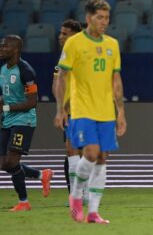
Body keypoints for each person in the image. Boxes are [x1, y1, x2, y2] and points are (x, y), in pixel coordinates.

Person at [54, 0, 127, 224]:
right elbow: (62, 78)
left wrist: (121, 111)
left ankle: (93, 212)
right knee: (92, 153)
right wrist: (60, 109)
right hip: (82, 108)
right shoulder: (74, 43)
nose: (104, 22)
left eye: (106, 17)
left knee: (103, 158)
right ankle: (76, 196)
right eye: (99, 17)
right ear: (88, 18)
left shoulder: (112, 44)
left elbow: (116, 80)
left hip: (106, 110)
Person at [0, 35, 53, 211]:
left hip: (24, 120)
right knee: (4, 164)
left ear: (15, 49)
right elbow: (4, 95)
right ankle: (41, 174)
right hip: (7, 121)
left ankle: (24, 202)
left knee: (12, 161)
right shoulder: (3, 70)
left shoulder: (25, 70)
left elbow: (32, 102)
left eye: (4, 46)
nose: (1, 49)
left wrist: (5, 108)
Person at [52, 19, 82, 198]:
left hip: (86, 110)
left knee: (86, 153)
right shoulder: (63, 56)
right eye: (60, 33)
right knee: (71, 152)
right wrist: (61, 108)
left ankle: (83, 194)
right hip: (70, 112)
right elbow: (56, 84)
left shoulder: (83, 54)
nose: (60, 37)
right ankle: (75, 195)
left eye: (65, 33)